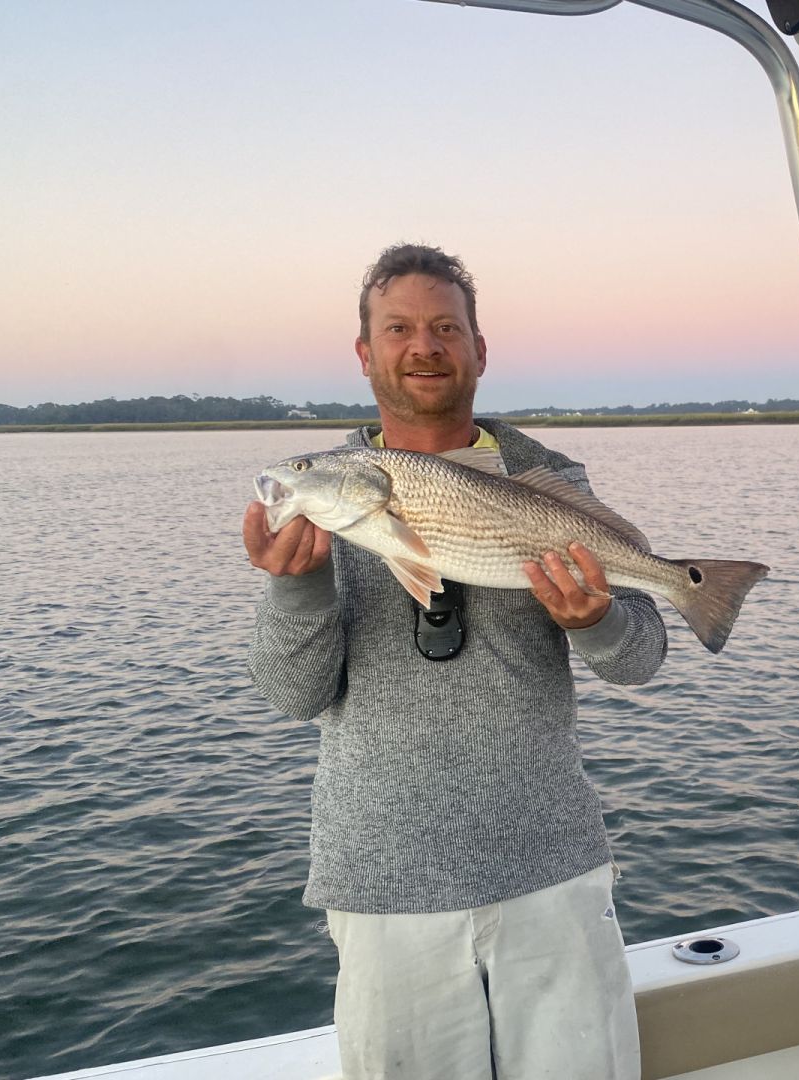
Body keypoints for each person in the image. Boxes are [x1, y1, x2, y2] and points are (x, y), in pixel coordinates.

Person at [242, 243, 667, 1080]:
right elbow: (292, 694)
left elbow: (639, 660)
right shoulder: (329, 493)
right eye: (398, 329)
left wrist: (598, 619)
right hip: (383, 876)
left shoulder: (549, 480)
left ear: (479, 349)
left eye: (445, 327)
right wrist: (297, 588)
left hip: (550, 865)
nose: (424, 346)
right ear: (365, 354)